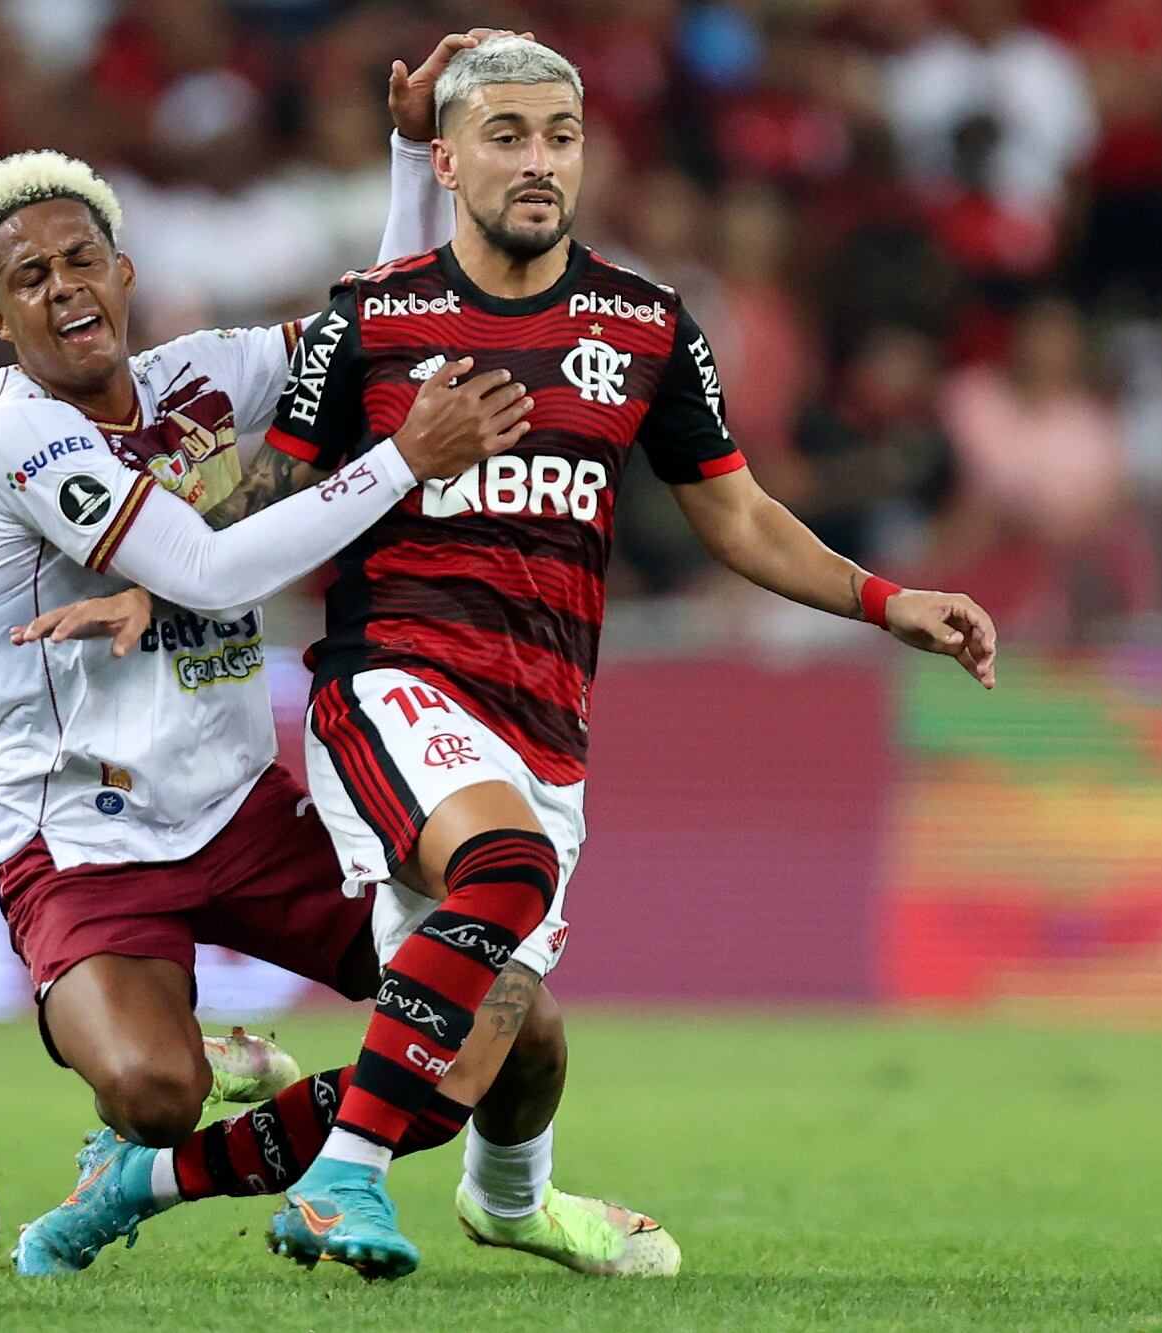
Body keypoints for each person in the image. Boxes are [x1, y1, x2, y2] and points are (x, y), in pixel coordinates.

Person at [233, 35, 999, 1278]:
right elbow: (256, 505)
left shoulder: (641, 326)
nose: (537, 163)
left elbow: (734, 512)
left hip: (546, 721)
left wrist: (882, 598)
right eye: (505, 136)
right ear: (447, 157)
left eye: (560, 136)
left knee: (497, 1054)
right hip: (389, 680)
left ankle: (503, 1200)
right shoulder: (369, 318)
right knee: (504, 865)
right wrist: (138, 580)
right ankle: (337, 1182)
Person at [0, 30, 677, 1282]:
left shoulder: (201, 376)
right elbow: (216, 571)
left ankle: (454, 1190)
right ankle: (181, 1086)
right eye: (29, 276)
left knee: (504, 1028)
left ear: (122, 273)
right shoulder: (12, 443)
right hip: (84, 837)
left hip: (244, 812)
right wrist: (407, 460)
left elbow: (383, 326)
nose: (63, 288)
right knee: (154, 1088)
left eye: (81, 260)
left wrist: (408, 153)